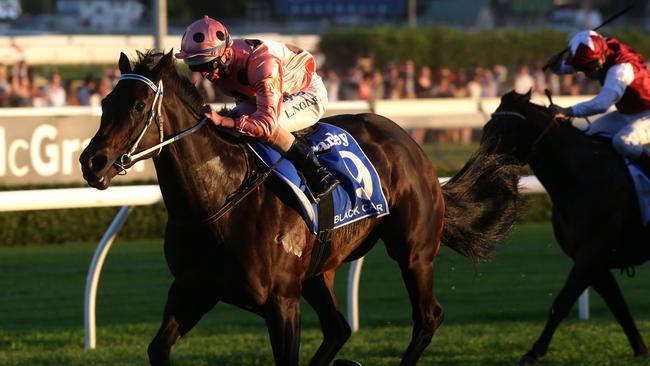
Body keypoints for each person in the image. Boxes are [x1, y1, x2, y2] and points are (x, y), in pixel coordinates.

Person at [175, 16, 338, 201]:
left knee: (265, 129)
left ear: (226, 55)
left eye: (205, 65)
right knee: (232, 127)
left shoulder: (262, 64)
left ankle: (318, 173)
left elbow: (266, 124)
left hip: (305, 92)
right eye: (195, 67)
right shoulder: (221, 65)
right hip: (270, 91)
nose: (203, 73)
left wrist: (223, 120)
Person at [547, 30, 650, 171]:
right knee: (586, 137)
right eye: (581, 68)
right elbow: (581, 63)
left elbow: (602, 104)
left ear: (600, 58)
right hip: (628, 113)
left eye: (587, 68)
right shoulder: (601, 47)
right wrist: (558, 67)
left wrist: (567, 111)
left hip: (647, 113)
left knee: (623, 142)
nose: (585, 73)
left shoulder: (620, 70)